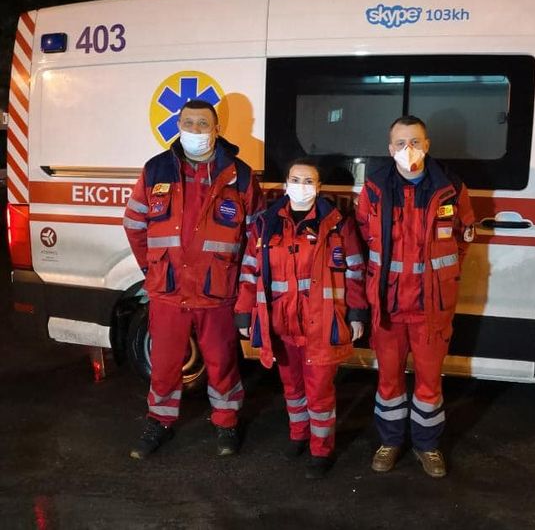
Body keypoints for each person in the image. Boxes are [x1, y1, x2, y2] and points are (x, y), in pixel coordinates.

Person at [123, 99, 263, 459]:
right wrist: (152, 269)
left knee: (222, 362)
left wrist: (243, 285)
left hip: (217, 291)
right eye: (189, 123)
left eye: (203, 124)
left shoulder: (240, 175)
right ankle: (159, 422)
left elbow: (257, 238)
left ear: (217, 129)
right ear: (178, 127)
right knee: (165, 364)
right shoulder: (155, 170)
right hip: (168, 291)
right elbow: (134, 224)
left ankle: (226, 422)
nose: (196, 130)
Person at [355, 116, 475, 478]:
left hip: (431, 308)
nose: (408, 149)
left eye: (415, 142)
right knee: (388, 382)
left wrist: (444, 279)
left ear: (428, 145)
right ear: (390, 149)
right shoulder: (375, 188)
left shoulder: (450, 188)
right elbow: (362, 237)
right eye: (401, 143)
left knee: (429, 382)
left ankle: (427, 445)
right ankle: (390, 442)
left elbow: (464, 238)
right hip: (388, 306)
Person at [234, 158, 368, 479]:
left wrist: (357, 313)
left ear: (319, 187)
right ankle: (299, 434)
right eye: (296, 180)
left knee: (319, 390)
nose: (302, 186)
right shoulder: (265, 224)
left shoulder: (337, 224)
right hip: (281, 323)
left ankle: (321, 450)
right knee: (292, 386)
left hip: (322, 323)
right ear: (286, 185)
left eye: (309, 181)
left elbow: (356, 271)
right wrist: (243, 313)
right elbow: (250, 271)